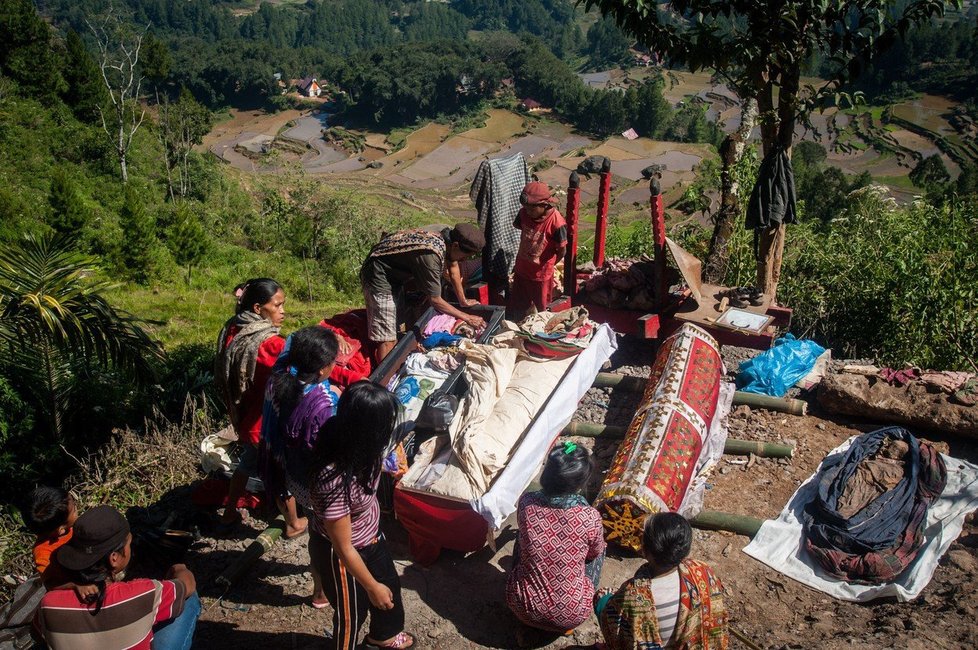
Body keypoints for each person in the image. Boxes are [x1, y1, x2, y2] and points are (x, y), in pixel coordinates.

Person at [308, 381, 415, 650]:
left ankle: (382, 638)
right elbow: (343, 547)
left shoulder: (365, 448)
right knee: (352, 615)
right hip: (341, 554)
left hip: (371, 537)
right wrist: (370, 586)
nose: (391, 430)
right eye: (386, 424)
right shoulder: (331, 478)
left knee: (390, 591)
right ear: (368, 431)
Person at [35, 506, 200, 650]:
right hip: (149, 596)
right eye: (128, 543)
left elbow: (39, 634)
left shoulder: (47, 604)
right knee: (188, 598)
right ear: (113, 558)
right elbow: (188, 584)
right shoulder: (140, 593)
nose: (130, 548)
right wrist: (179, 568)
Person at [263, 325, 341, 608]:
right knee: (327, 537)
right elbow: (332, 450)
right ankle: (324, 590)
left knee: (316, 533)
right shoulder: (324, 405)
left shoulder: (279, 378)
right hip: (316, 485)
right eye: (333, 361)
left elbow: (293, 340)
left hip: (292, 476)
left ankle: (320, 587)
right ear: (322, 369)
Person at [506, 442, 605, 634]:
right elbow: (594, 553)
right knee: (600, 548)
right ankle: (562, 623)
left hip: (522, 605)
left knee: (522, 536)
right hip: (572, 615)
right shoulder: (590, 517)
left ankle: (532, 620)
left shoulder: (527, 503)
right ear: (580, 483)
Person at [214, 278, 288, 530]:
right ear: (258, 308)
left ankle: (229, 511)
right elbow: (300, 363)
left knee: (246, 465)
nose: (283, 312)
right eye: (277, 306)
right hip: (263, 421)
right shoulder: (268, 344)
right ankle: (292, 522)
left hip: (246, 414)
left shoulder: (234, 327)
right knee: (276, 471)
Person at [595, 513, 729, 650]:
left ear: (645, 551)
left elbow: (614, 622)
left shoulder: (633, 594)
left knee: (603, 596)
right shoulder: (702, 570)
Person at [360, 223, 487, 363]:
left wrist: (463, 299)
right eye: (465, 256)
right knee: (387, 337)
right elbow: (436, 300)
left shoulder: (447, 236)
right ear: (456, 245)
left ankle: (398, 354)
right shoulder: (430, 255)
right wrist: (467, 317)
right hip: (378, 275)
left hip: (396, 271)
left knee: (397, 322)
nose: (465, 260)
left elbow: (453, 265)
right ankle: (386, 378)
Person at [508, 181, 567, 320]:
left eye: (532, 209)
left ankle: (539, 335)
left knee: (542, 308)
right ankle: (518, 328)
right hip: (522, 269)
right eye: (526, 208)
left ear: (544, 204)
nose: (528, 212)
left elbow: (562, 250)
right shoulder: (524, 213)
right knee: (519, 305)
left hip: (541, 274)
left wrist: (549, 264)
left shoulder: (556, 223)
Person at [24, 486, 78, 579]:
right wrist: (75, 586)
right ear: (61, 529)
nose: (77, 508)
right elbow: (51, 582)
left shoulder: (72, 527)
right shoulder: (43, 553)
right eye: (74, 510)